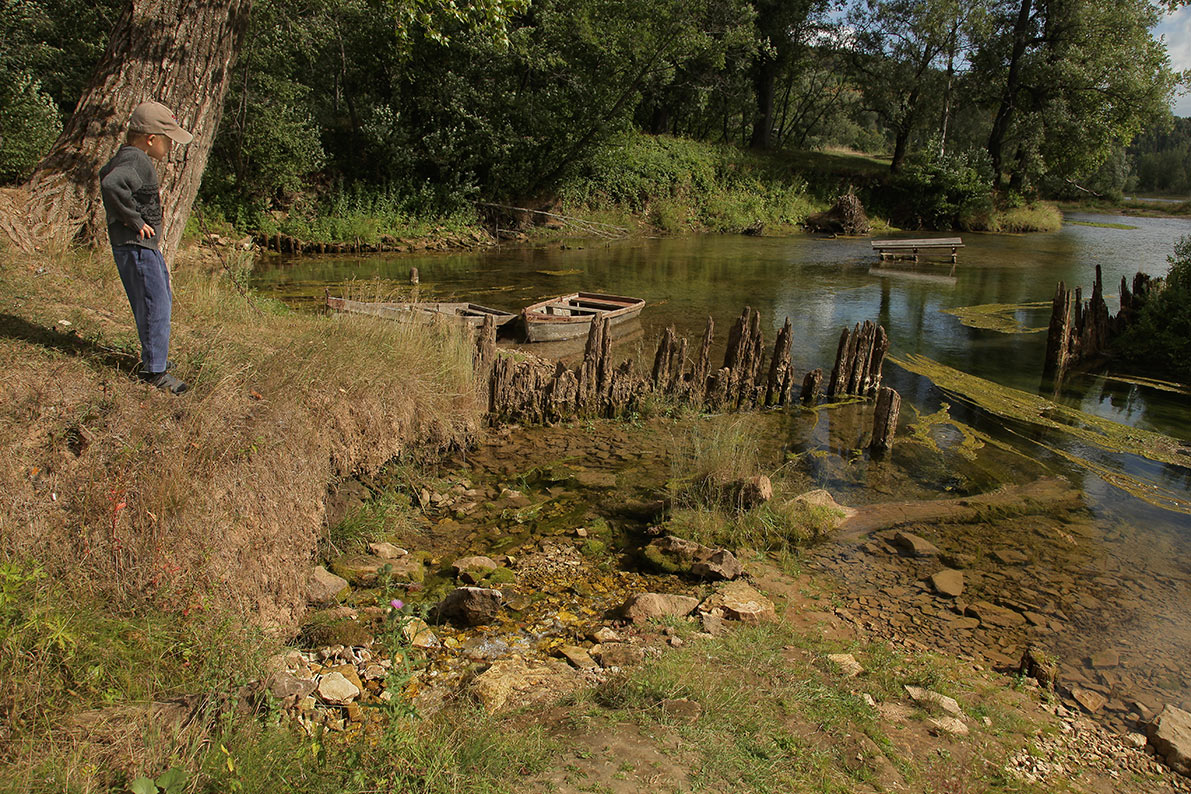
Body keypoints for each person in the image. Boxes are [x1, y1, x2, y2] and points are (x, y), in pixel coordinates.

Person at [99, 101, 193, 394]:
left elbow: (105, 172)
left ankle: (156, 358)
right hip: (137, 247)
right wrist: (134, 219)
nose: (170, 147)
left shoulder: (127, 156)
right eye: (168, 141)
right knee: (156, 305)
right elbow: (111, 183)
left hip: (138, 247)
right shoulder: (137, 160)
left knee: (158, 298)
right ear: (151, 139)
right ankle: (155, 373)